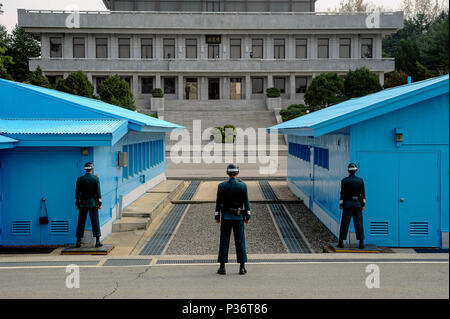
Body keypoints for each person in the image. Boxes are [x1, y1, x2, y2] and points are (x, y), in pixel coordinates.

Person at [215, 164, 251, 275]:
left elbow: (218, 203)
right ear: (237, 173)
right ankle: (242, 267)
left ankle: (222, 267)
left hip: (226, 217)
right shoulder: (242, 186)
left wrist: (217, 216)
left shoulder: (221, 186)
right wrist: (247, 216)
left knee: (224, 241)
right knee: (240, 241)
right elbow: (246, 203)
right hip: (238, 217)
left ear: (227, 173)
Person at [338, 163, 366, 249]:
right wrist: (363, 204)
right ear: (356, 171)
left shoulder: (344, 181)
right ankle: (361, 242)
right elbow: (363, 194)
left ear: (348, 171)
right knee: (359, 223)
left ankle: (341, 242)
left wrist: (341, 204)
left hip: (348, 204)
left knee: (345, 223)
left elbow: (342, 194)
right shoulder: (360, 181)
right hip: (357, 204)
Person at [75, 162, 103, 248]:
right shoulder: (95, 179)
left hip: (83, 203)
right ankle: (97, 241)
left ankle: (78, 241)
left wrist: (77, 203)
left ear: (85, 169)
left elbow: (77, 193)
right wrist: (99, 203)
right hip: (93, 203)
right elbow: (98, 192)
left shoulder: (79, 179)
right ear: (92, 169)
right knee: (95, 221)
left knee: (81, 222)